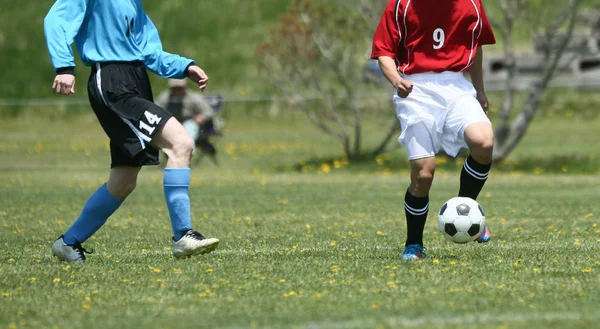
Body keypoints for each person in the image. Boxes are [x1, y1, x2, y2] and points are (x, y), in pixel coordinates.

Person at [44, 0, 219, 263]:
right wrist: (64, 67)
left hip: (136, 82)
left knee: (123, 180)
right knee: (181, 143)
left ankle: (68, 242)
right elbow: (56, 19)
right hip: (112, 83)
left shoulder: (135, 6)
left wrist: (185, 67)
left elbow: (150, 53)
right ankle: (183, 235)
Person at [371, 0, 496, 260]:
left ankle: (466, 210)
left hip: (456, 86)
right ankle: (414, 244)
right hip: (416, 88)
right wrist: (396, 80)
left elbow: (475, 48)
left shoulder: (471, 4)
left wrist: (480, 90)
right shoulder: (401, 4)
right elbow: (384, 51)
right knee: (423, 174)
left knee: (483, 142)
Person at [155, 79, 223, 165]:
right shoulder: (164, 98)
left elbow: (209, 112)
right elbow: (155, 111)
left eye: (180, 88)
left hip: (191, 125)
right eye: (175, 88)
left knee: (190, 125)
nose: (177, 90)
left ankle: (187, 152)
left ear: (185, 87)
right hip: (171, 125)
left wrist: (201, 117)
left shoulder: (193, 97)